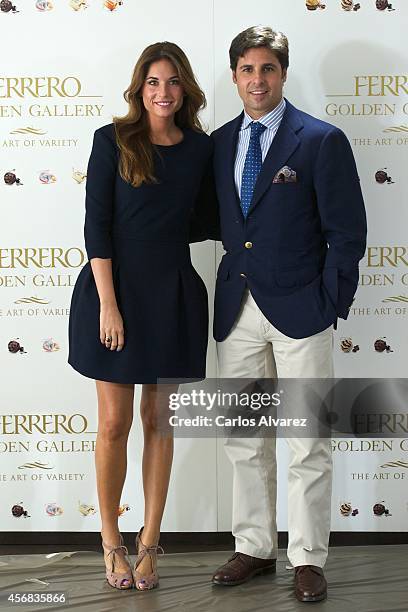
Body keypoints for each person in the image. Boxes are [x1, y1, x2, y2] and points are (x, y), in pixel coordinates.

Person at [210, 26, 367, 602]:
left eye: (267, 70)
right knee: (244, 438)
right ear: (234, 76)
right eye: (247, 70)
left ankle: (307, 556)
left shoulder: (321, 140)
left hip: (303, 310)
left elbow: (346, 233)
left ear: (282, 73)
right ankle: (253, 546)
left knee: (307, 440)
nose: (257, 80)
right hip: (238, 310)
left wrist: (330, 303)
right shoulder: (220, 141)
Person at [68, 41, 213, 591]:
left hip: (172, 293)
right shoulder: (112, 141)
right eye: (153, 82)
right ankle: (111, 542)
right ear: (139, 88)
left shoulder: (200, 150)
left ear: (185, 91)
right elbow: (95, 227)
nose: (162, 92)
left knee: (159, 422)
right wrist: (109, 303)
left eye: (172, 82)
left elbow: (210, 217)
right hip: (115, 292)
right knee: (113, 423)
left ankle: (150, 543)